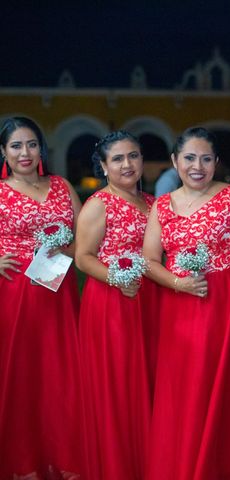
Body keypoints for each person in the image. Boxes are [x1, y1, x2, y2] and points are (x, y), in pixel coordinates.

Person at [142, 127, 230, 480]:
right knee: (179, 391)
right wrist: (177, 282)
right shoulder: (162, 206)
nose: (197, 166)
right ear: (174, 161)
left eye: (205, 159)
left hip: (222, 306)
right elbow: (149, 259)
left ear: (216, 162)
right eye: (189, 158)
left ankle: (213, 467)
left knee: (215, 389)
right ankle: (179, 465)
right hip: (178, 308)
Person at [0, 117, 87, 478]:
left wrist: (64, 250)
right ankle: (23, 463)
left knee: (61, 378)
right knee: (21, 380)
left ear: (42, 149)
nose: (25, 152)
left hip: (58, 292)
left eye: (31, 144)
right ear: (3, 152)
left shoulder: (62, 186)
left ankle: (62, 458)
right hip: (13, 295)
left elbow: (85, 236)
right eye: (16, 145)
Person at [75, 131, 156, 479]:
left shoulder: (155, 203)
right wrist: (118, 280)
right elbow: (83, 258)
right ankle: (118, 466)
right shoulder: (99, 204)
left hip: (152, 301)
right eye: (118, 159)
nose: (128, 164)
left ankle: (150, 459)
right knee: (118, 388)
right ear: (104, 166)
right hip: (112, 304)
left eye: (133, 156)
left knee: (149, 381)